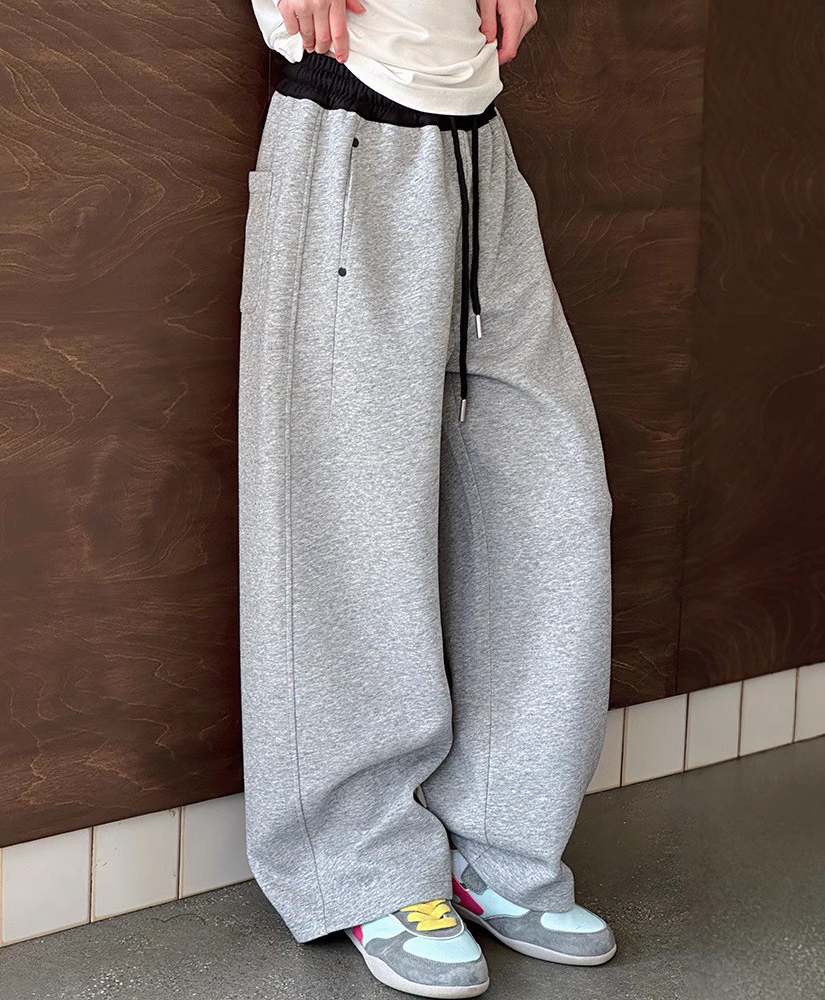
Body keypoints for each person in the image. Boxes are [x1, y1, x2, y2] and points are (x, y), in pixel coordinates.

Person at [237, 0, 616, 996]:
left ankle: (501, 844)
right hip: (345, 124)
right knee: (350, 523)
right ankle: (364, 866)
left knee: (551, 502)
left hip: (477, 140)